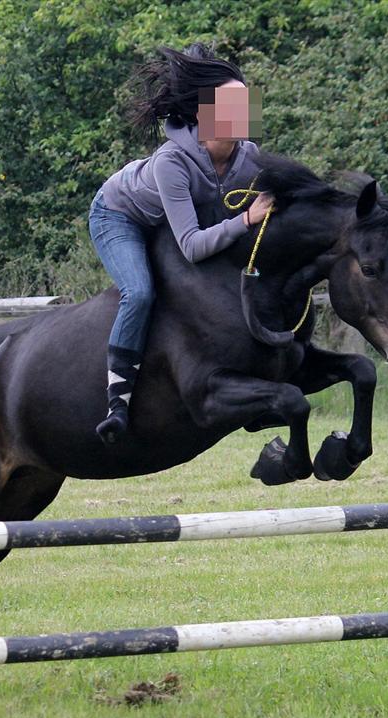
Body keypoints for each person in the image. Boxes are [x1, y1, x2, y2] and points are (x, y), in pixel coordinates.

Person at [88, 44, 274, 445]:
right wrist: (244, 219)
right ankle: (117, 403)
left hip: (173, 221)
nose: (245, 110)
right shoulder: (171, 161)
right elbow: (191, 245)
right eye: (233, 103)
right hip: (120, 215)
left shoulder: (250, 156)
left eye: (246, 100)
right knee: (139, 293)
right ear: (204, 114)